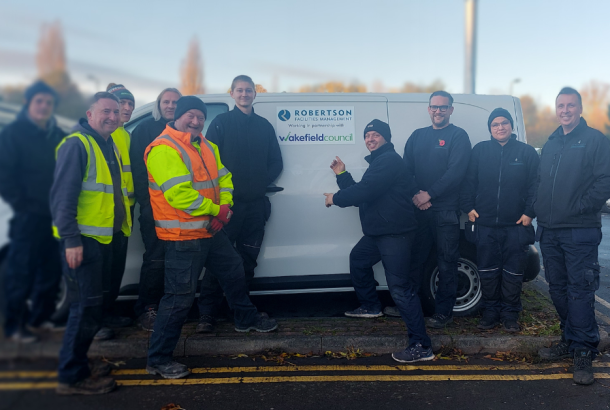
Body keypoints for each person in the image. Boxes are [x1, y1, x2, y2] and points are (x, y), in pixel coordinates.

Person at [145, 96, 277, 379]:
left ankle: (245, 318)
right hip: (183, 236)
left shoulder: (207, 146)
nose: (195, 121)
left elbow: (225, 178)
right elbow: (179, 195)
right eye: (190, 115)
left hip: (210, 229)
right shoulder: (164, 148)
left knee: (233, 270)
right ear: (178, 116)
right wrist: (218, 210)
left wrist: (224, 208)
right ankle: (158, 358)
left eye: (200, 117)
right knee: (179, 298)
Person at [324, 119, 433, 363]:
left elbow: (364, 191)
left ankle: (421, 345)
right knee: (359, 259)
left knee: (400, 290)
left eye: (375, 135)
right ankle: (371, 306)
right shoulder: (380, 162)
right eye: (367, 136)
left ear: (386, 138)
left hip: (395, 234)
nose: (370, 139)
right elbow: (365, 191)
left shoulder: (389, 160)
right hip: (380, 232)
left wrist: (335, 197)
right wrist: (342, 174)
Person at [51, 92, 132, 395]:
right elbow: (63, 199)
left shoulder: (108, 143)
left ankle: (78, 362)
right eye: (105, 111)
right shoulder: (77, 144)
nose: (112, 116)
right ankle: (71, 376)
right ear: (89, 114)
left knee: (93, 309)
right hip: (83, 242)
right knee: (84, 309)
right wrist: (71, 241)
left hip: (104, 238)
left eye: (115, 111)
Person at [535, 87, 610, 385]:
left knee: (579, 290)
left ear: (579, 108)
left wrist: (580, 207)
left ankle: (583, 350)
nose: (565, 110)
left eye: (570, 105)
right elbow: (541, 182)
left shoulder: (594, 140)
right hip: (550, 230)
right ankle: (571, 338)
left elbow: (605, 180)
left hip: (579, 230)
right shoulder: (552, 143)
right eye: (560, 105)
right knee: (557, 288)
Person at [197, 75, 283, 333]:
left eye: (248, 90)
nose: (244, 94)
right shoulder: (221, 124)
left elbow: (276, 163)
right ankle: (207, 315)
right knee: (218, 263)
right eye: (240, 90)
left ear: (255, 94)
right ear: (232, 94)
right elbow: (208, 163)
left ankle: (239, 313)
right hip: (227, 207)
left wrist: (258, 184)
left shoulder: (264, 126)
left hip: (255, 206)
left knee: (247, 261)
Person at [461, 108, 539, 332]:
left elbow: (536, 185)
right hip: (484, 225)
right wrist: (468, 207)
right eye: (495, 124)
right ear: (490, 128)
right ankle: (490, 311)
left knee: (513, 273)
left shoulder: (526, 153)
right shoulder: (480, 151)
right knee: (487, 271)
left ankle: (510, 314)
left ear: (511, 126)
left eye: (504, 123)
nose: (500, 127)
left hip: (516, 225)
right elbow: (468, 182)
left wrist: (529, 212)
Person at [0, 80, 65, 342]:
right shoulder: (13, 134)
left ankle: (40, 317)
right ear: (28, 103)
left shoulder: (57, 134)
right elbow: (4, 174)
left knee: (50, 270)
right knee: (21, 272)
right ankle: (15, 326)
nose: (44, 106)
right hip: (28, 215)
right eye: (39, 101)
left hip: (55, 215)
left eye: (48, 103)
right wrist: (21, 204)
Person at [402, 91, 471, 328]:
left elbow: (456, 172)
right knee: (415, 260)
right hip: (419, 210)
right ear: (428, 109)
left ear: (451, 110)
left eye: (443, 107)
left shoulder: (458, 136)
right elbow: (406, 171)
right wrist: (417, 195)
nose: (438, 111)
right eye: (434, 107)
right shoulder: (417, 136)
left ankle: (443, 312)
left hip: (446, 212)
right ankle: (411, 308)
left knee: (446, 262)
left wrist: (428, 194)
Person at [131, 88, 182, 331]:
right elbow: (139, 173)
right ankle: (147, 308)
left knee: (176, 260)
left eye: (175, 102)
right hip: (154, 210)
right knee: (155, 258)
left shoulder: (186, 130)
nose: (171, 106)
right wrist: (149, 204)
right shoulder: (145, 129)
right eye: (166, 101)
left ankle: (168, 307)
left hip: (182, 210)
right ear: (158, 104)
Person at [90, 83, 136, 341]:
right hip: (98, 218)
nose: (126, 109)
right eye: (122, 105)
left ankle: (107, 314)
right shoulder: (95, 136)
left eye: (129, 104)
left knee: (114, 272)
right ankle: (93, 324)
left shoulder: (124, 134)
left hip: (121, 216)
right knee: (97, 277)